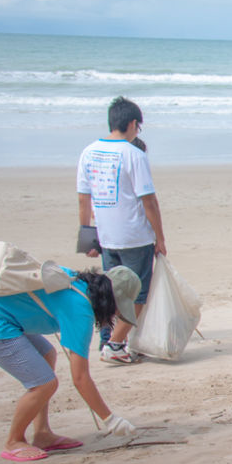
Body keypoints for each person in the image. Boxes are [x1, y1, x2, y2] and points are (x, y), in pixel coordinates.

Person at [0, 266, 143, 462]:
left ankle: (42, 433)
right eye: (118, 309)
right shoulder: (81, 309)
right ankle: (14, 441)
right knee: (44, 384)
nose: (116, 315)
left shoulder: (76, 281)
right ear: (110, 300)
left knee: (47, 355)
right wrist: (111, 419)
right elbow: (80, 378)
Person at [77, 96, 167, 364]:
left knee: (113, 291)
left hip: (106, 237)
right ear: (132, 123)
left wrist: (88, 238)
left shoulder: (88, 152)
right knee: (137, 294)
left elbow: (83, 199)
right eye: (138, 127)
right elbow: (149, 201)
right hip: (135, 236)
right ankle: (115, 345)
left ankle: (109, 340)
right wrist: (160, 238)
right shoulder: (133, 154)